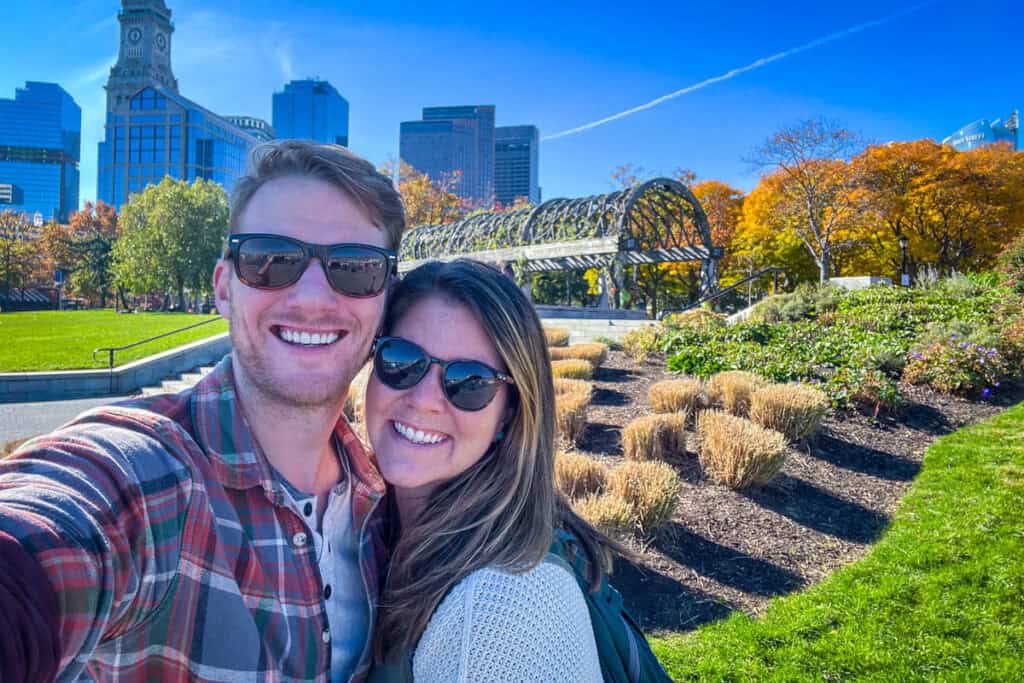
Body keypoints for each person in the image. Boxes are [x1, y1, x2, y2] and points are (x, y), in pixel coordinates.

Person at [0, 140, 405, 682]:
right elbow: (46, 530)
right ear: (223, 288)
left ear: (385, 300)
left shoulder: (385, 499)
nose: (313, 296)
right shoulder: (146, 478)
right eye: (270, 260)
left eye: (354, 268)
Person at [362, 259, 623, 681]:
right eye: (401, 360)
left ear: (508, 415)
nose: (425, 400)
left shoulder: (502, 606)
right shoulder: (366, 525)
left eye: (470, 381)